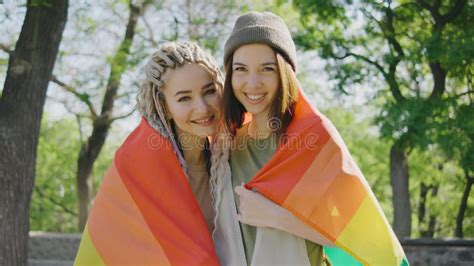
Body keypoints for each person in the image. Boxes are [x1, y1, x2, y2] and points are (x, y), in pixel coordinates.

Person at [211, 11, 408, 266]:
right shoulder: (226, 145)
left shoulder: (314, 138)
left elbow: (359, 236)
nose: (253, 82)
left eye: (267, 69)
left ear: (286, 74)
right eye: (241, 69)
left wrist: (277, 217)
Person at [75, 42, 223, 265]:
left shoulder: (229, 159)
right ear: (164, 107)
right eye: (184, 98)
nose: (202, 107)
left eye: (209, 91)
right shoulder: (135, 168)